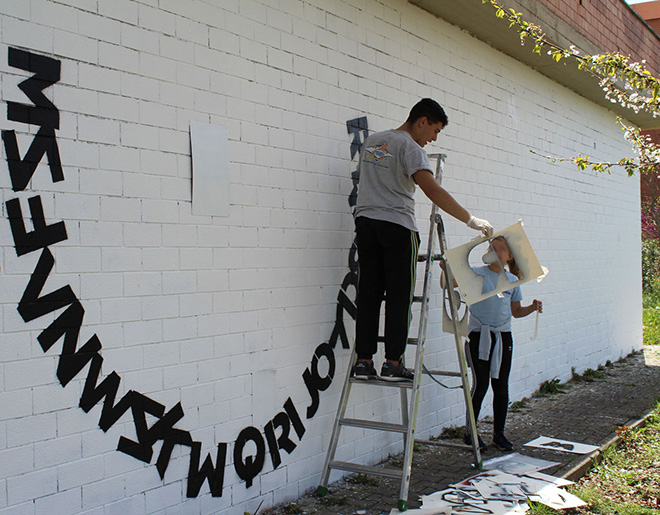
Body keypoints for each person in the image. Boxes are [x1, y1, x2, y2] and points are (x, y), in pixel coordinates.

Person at [353, 98, 493, 382]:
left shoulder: (374, 142)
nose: (434, 138)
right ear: (422, 121)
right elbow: (432, 190)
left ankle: (364, 360)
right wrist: (470, 219)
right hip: (397, 227)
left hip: (366, 224)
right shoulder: (410, 148)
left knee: (368, 294)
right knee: (399, 296)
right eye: (435, 130)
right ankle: (393, 362)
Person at [463, 236, 543, 451]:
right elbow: (451, 282)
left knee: (501, 387)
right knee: (480, 385)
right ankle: (470, 432)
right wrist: (446, 269)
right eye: (492, 247)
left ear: (509, 256)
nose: (495, 251)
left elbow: (516, 311)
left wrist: (532, 307)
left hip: (503, 337)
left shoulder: (512, 281)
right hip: (480, 336)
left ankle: (498, 434)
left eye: (501, 249)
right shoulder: (477, 273)